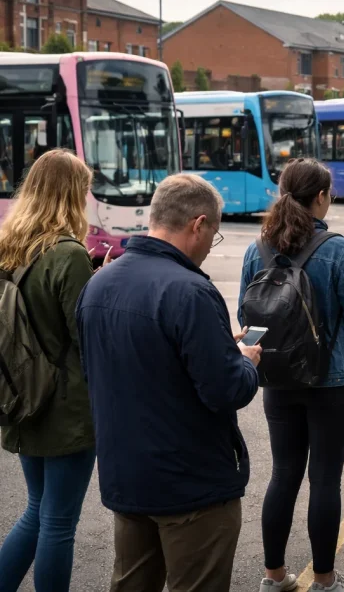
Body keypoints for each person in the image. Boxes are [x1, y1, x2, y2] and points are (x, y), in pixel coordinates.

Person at [76, 174, 261, 591]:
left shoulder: (98, 284)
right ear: (198, 224)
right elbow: (226, 389)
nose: (208, 248)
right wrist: (245, 361)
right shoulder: (191, 291)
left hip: (127, 476)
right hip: (190, 484)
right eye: (212, 235)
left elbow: (101, 372)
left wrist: (214, 346)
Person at [239, 159, 344, 592]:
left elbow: (247, 318)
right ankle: (324, 580)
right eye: (330, 193)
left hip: (277, 375)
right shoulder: (338, 249)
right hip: (331, 380)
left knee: (283, 474)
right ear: (320, 197)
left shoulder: (256, 249)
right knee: (324, 479)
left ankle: (274, 577)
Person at [0, 150, 100, 592]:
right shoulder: (69, 254)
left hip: (20, 393)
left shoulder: (8, 246)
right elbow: (85, 337)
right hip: (65, 406)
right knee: (58, 522)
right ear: (70, 194)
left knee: (37, 510)